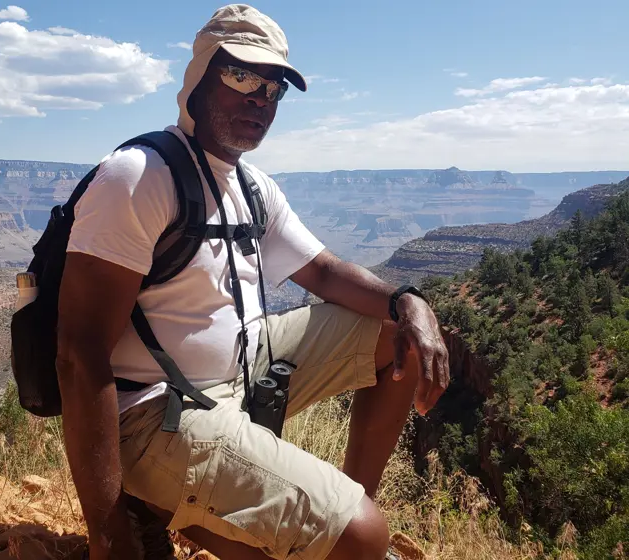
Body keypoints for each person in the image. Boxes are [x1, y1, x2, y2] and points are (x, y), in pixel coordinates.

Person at [55, 4, 450, 560]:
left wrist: (410, 303)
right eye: (241, 76)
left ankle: (337, 518)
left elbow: (324, 271)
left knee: (392, 333)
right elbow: (79, 355)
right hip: (151, 414)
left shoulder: (250, 184)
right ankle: (332, 534)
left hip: (238, 374)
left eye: (273, 89)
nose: (259, 100)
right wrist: (106, 531)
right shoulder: (140, 177)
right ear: (198, 78)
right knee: (365, 537)